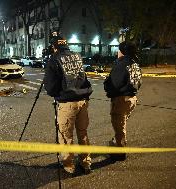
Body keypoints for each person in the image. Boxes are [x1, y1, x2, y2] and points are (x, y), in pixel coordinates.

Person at [44, 35, 93, 174]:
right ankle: (86, 162)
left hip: (67, 103)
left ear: (54, 47)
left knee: (66, 136)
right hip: (83, 100)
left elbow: (50, 87)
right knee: (83, 133)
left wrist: (56, 92)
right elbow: (83, 77)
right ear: (65, 44)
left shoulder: (54, 59)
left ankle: (68, 165)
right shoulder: (77, 56)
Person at [104, 41, 142, 161]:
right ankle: (116, 142)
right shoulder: (135, 63)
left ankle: (120, 153)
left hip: (121, 100)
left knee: (119, 127)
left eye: (119, 50)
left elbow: (113, 85)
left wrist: (107, 82)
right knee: (122, 124)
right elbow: (138, 82)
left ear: (123, 52)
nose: (117, 52)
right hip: (132, 99)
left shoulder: (121, 65)